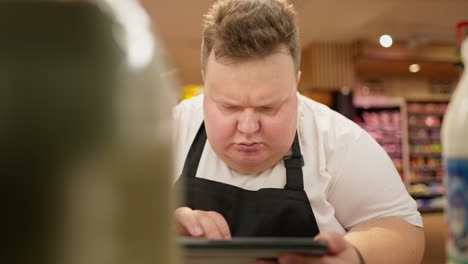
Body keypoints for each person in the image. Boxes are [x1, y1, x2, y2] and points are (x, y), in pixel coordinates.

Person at [172, 0, 425, 263]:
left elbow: (405, 231)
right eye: (228, 106)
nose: (248, 128)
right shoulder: (167, 133)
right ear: (205, 80)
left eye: (268, 107)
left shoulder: (340, 141)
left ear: (296, 83)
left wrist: (355, 256)